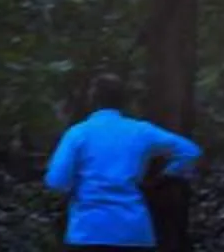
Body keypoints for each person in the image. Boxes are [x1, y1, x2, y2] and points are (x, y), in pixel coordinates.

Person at [46, 74, 201, 249]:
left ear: (92, 100)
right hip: (133, 230)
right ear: (123, 101)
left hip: (88, 229)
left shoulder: (78, 133)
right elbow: (190, 151)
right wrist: (164, 178)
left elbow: (56, 180)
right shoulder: (140, 131)